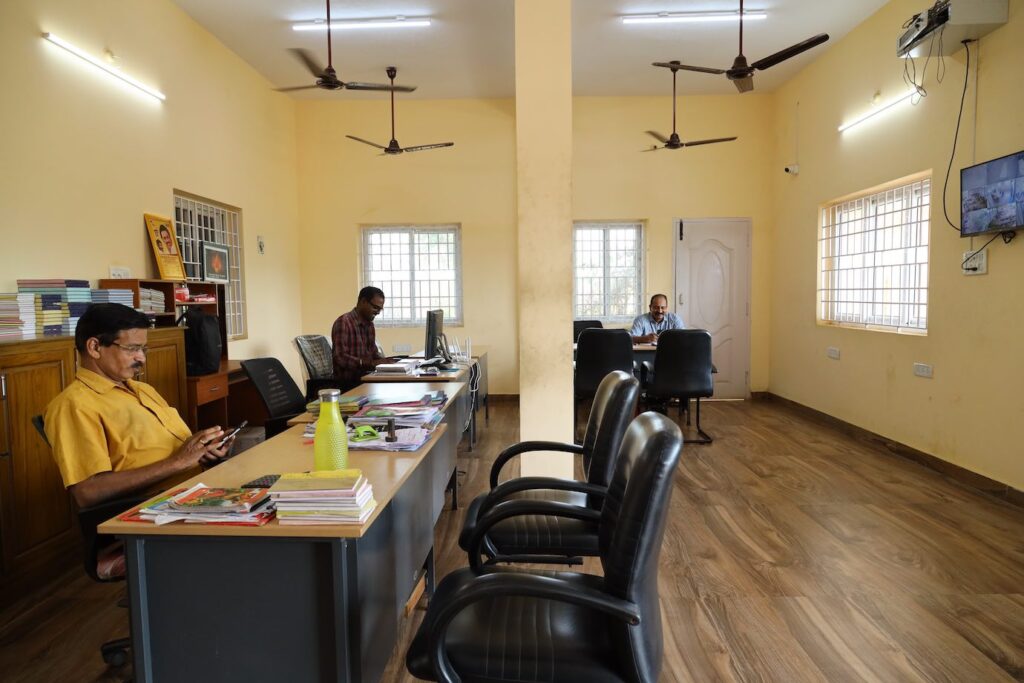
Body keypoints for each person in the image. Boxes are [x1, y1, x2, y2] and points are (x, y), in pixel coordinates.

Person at [44, 303, 233, 509]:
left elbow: (178, 456)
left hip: (201, 488)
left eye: (143, 349)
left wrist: (205, 452)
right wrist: (178, 463)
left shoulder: (143, 389)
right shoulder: (73, 405)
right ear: (95, 347)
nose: (141, 358)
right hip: (159, 508)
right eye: (132, 349)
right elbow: (87, 492)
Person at [332, 286, 391, 390]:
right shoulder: (344, 322)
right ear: (363, 301)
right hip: (349, 384)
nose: (378, 312)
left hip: (366, 379)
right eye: (375, 307)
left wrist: (387, 362)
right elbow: (340, 357)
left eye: (380, 309)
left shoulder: (369, 325)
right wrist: (369, 363)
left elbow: (373, 353)